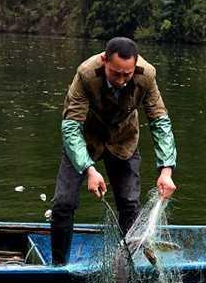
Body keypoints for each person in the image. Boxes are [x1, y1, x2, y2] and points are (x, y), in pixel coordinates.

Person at [50, 37, 177, 266]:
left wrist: (166, 170)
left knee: (129, 204)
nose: (120, 80)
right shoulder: (86, 74)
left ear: (135, 66)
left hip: (123, 140)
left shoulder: (147, 75)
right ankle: (58, 266)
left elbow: (160, 121)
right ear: (104, 60)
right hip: (84, 141)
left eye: (127, 75)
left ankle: (129, 267)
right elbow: (70, 127)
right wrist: (89, 169)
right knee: (63, 204)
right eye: (115, 73)